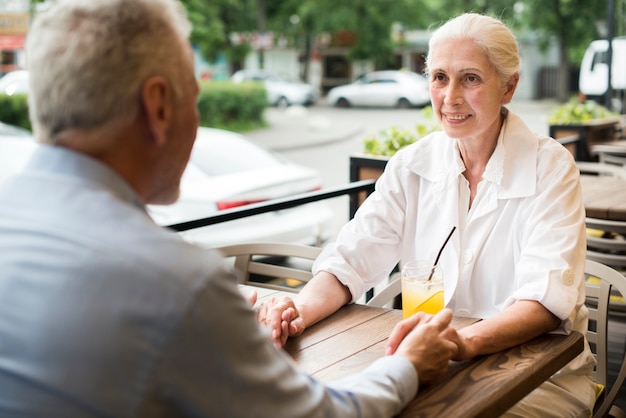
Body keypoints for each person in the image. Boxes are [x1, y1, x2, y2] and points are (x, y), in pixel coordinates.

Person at [0, 0, 460, 417]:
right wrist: (407, 366)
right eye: (194, 99)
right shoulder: (178, 285)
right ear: (159, 106)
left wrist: (224, 345)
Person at [258, 13, 596, 417]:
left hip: (540, 375)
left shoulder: (550, 167)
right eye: (439, 77)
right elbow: (350, 260)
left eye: (470, 78)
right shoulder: (411, 165)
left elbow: (542, 303)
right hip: (430, 364)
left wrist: (458, 343)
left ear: (509, 86)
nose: (450, 96)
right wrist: (298, 311)